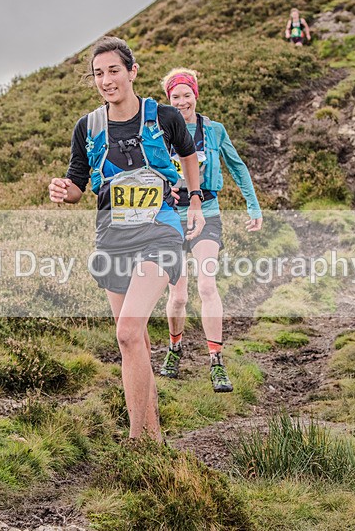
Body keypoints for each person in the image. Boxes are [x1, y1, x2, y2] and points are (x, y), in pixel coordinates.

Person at [48, 37, 205, 442]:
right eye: (98, 74)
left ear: (132, 72)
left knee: (126, 332)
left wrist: (194, 199)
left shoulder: (164, 117)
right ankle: (154, 439)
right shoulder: (87, 127)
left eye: (114, 70)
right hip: (112, 239)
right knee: (135, 343)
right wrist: (65, 190)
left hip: (159, 231)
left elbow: (188, 153)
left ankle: (137, 444)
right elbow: (78, 184)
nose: (106, 80)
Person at [158, 68, 262, 393]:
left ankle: (216, 362)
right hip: (172, 219)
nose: (182, 101)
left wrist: (253, 205)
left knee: (206, 286)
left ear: (196, 95)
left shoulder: (214, 131)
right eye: (176, 97)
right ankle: (175, 348)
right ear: (169, 100)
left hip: (208, 213)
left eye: (187, 95)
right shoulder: (160, 132)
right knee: (178, 296)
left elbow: (237, 166)